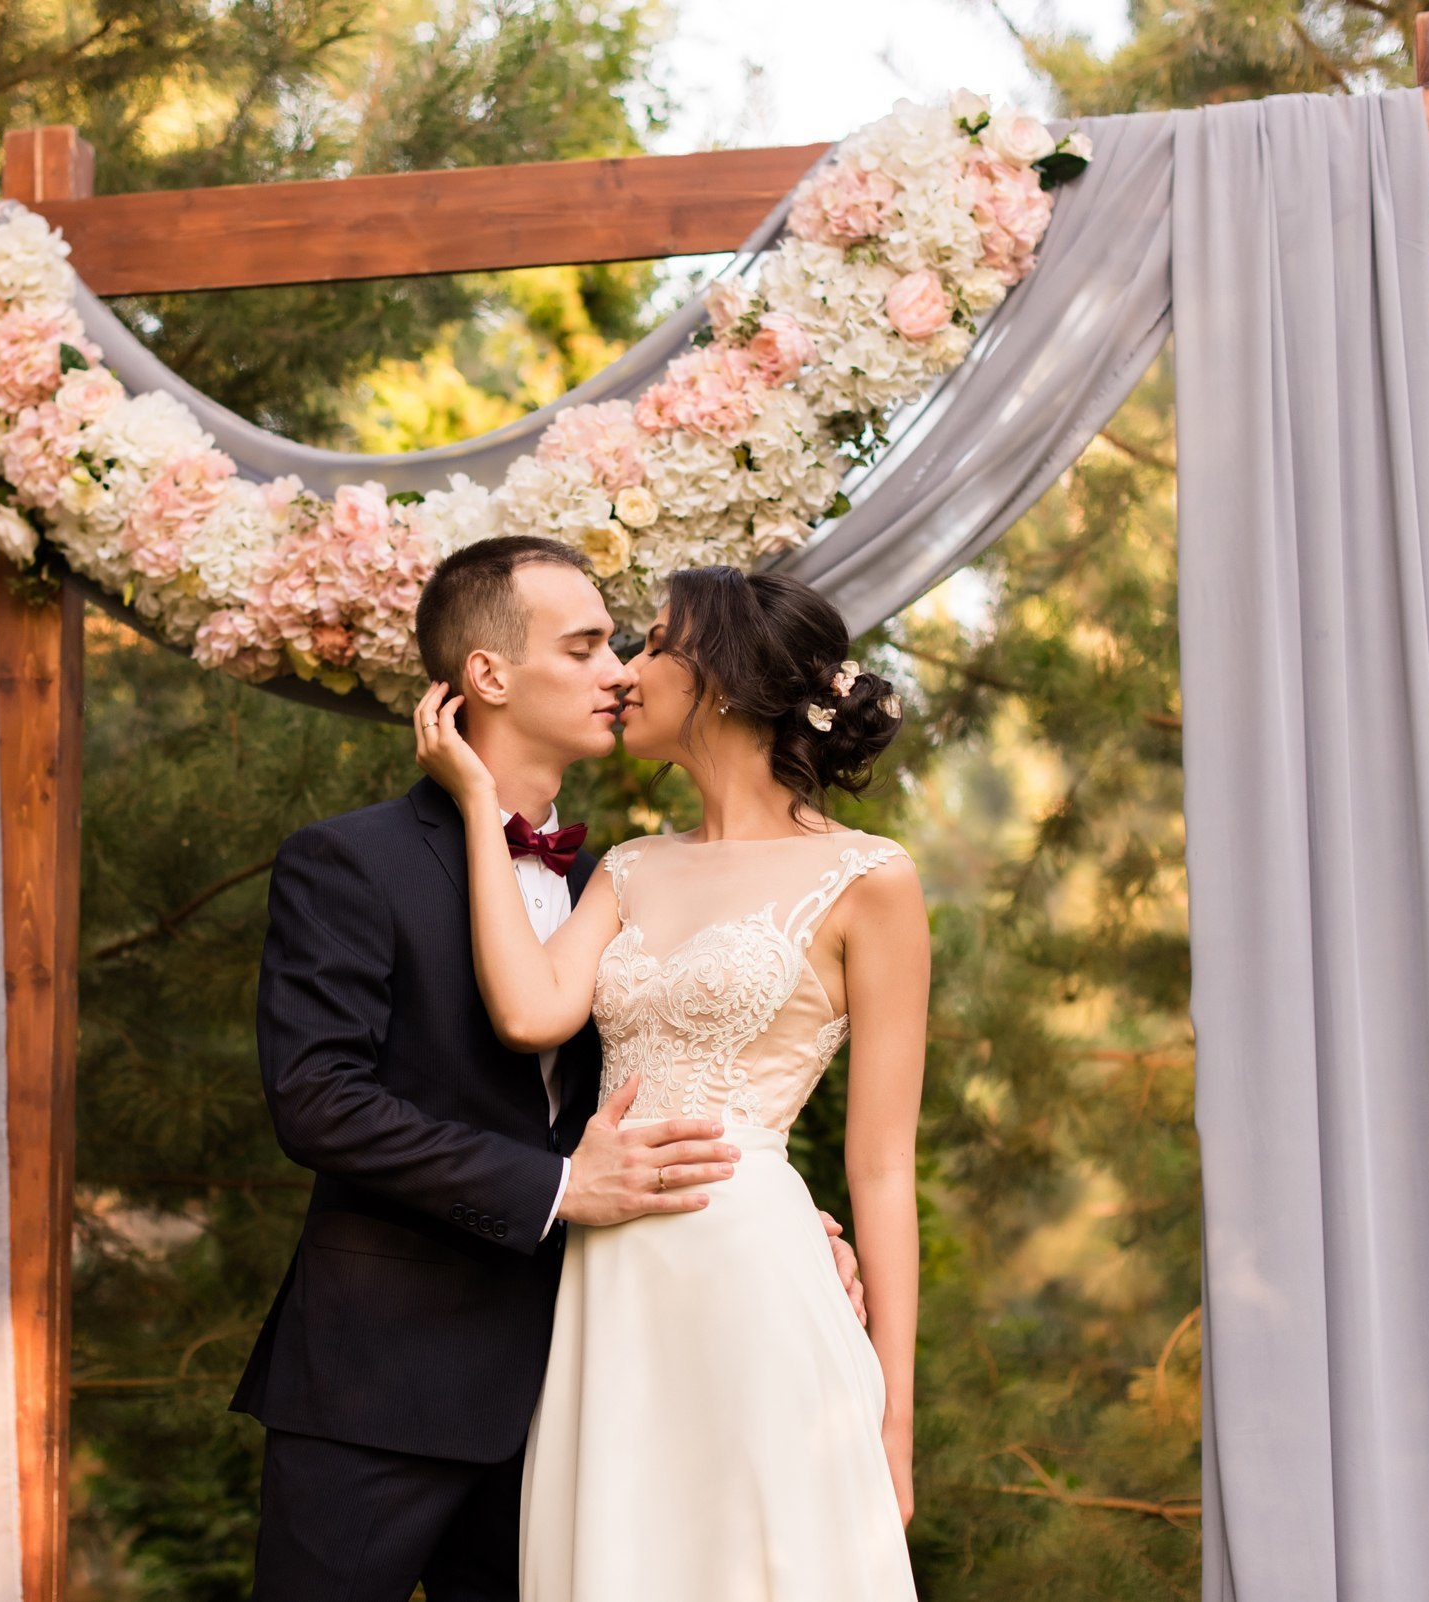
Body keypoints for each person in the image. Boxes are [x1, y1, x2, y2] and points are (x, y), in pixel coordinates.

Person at [234, 537, 865, 1602]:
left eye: (620, 645)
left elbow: (659, 1075)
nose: (620, 670)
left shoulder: (626, 874)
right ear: (488, 677)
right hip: (381, 1385)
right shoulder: (350, 860)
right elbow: (318, 1103)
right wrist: (563, 1187)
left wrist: (757, 1207)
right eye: (584, 648)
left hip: (579, 1384)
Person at [413, 564, 930, 1601]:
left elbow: (880, 1168)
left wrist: (895, 1411)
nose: (626, 672)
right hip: (609, 1282)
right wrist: (475, 800)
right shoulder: (630, 867)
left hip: (754, 1272)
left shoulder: (872, 881)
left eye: (651, 644)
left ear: (725, 679)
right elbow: (527, 1012)